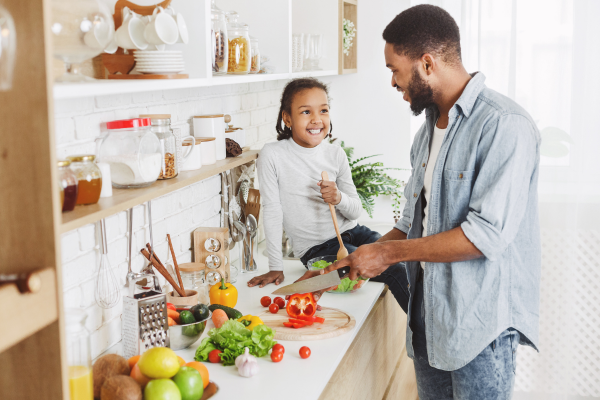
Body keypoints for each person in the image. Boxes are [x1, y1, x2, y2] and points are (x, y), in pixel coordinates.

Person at [318, 5, 541, 399]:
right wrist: (358, 258)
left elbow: (482, 238)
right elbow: (410, 221)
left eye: (394, 69)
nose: (392, 81)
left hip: (479, 327)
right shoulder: (425, 133)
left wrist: (386, 254)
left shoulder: (504, 125)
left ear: (426, 63)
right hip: (429, 320)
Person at [247, 78, 382, 298]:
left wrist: (338, 198)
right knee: (375, 264)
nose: (317, 119)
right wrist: (275, 267)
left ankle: (419, 329)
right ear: (287, 118)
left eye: (323, 110)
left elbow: (355, 211)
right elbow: (272, 211)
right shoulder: (273, 155)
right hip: (317, 249)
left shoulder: (335, 153)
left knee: (393, 255)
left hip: (354, 232)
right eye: (306, 112)